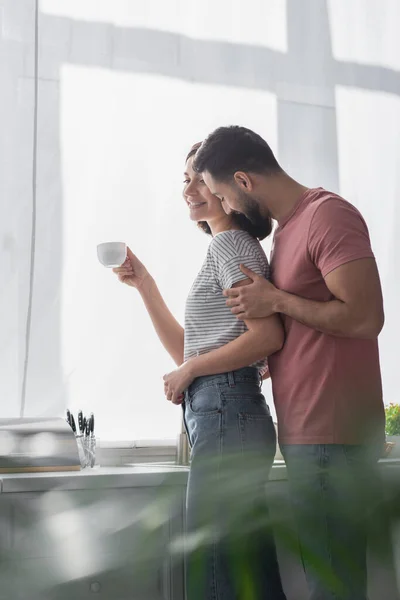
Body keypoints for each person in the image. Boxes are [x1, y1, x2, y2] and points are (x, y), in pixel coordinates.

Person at [193, 126, 386, 600]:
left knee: (334, 585)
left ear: (244, 180)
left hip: (334, 432)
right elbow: (306, 325)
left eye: (223, 196)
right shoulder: (285, 234)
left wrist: (276, 300)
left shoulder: (328, 216)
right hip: (308, 432)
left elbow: (365, 317)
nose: (230, 210)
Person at [113, 142, 287, 600]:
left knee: (216, 571)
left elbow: (268, 337)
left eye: (198, 178)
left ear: (227, 188)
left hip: (227, 410)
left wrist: (190, 371)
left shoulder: (230, 244)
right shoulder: (225, 247)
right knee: (242, 570)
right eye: (184, 179)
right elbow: (188, 352)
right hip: (226, 412)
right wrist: (145, 284)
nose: (188, 188)